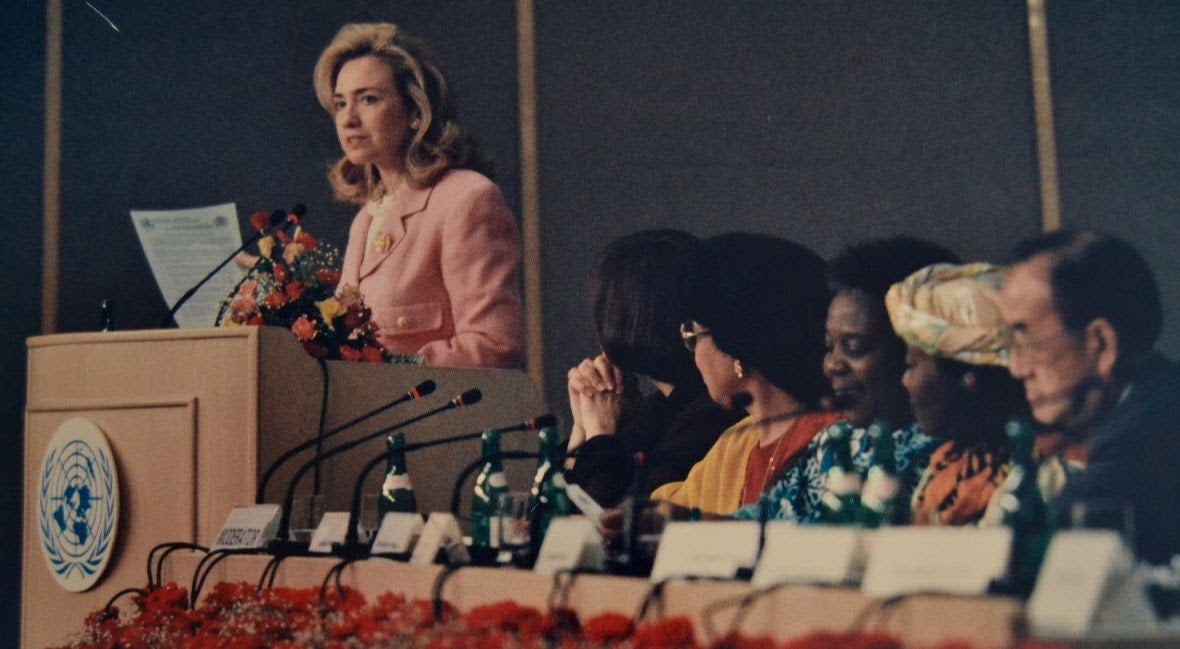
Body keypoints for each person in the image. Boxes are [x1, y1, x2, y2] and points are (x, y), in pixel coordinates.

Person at [314, 23, 523, 368]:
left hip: (447, 419)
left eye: (368, 99)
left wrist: (388, 373)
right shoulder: (366, 219)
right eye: (340, 104)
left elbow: (495, 345)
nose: (348, 119)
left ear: (415, 111)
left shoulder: (467, 199)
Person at [734, 237, 958, 523]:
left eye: (854, 348)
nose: (832, 365)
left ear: (916, 349)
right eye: (829, 347)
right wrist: (681, 518)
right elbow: (762, 520)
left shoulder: (946, 457)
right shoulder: (835, 442)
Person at [999, 231, 1180, 563]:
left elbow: (1035, 562)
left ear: (1102, 344)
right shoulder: (1156, 399)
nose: (1015, 367)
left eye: (1028, 340)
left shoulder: (1144, 443)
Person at [650, 233, 841, 515]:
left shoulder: (836, 438)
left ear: (733, 343)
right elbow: (669, 506)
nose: (694, 355)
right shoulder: (737, 441)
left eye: (693, 335)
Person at [563, 231, 741, 507]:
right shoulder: (653, 409)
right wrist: (581, 429)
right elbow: (546, 513)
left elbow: (613, 522)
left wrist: (600, 431)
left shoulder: (709, 412)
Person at [886, 262, 1031, 525]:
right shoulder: (950, 460)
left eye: (910, 365)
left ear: (968, 380)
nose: (904, 382)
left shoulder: (1028, 473)